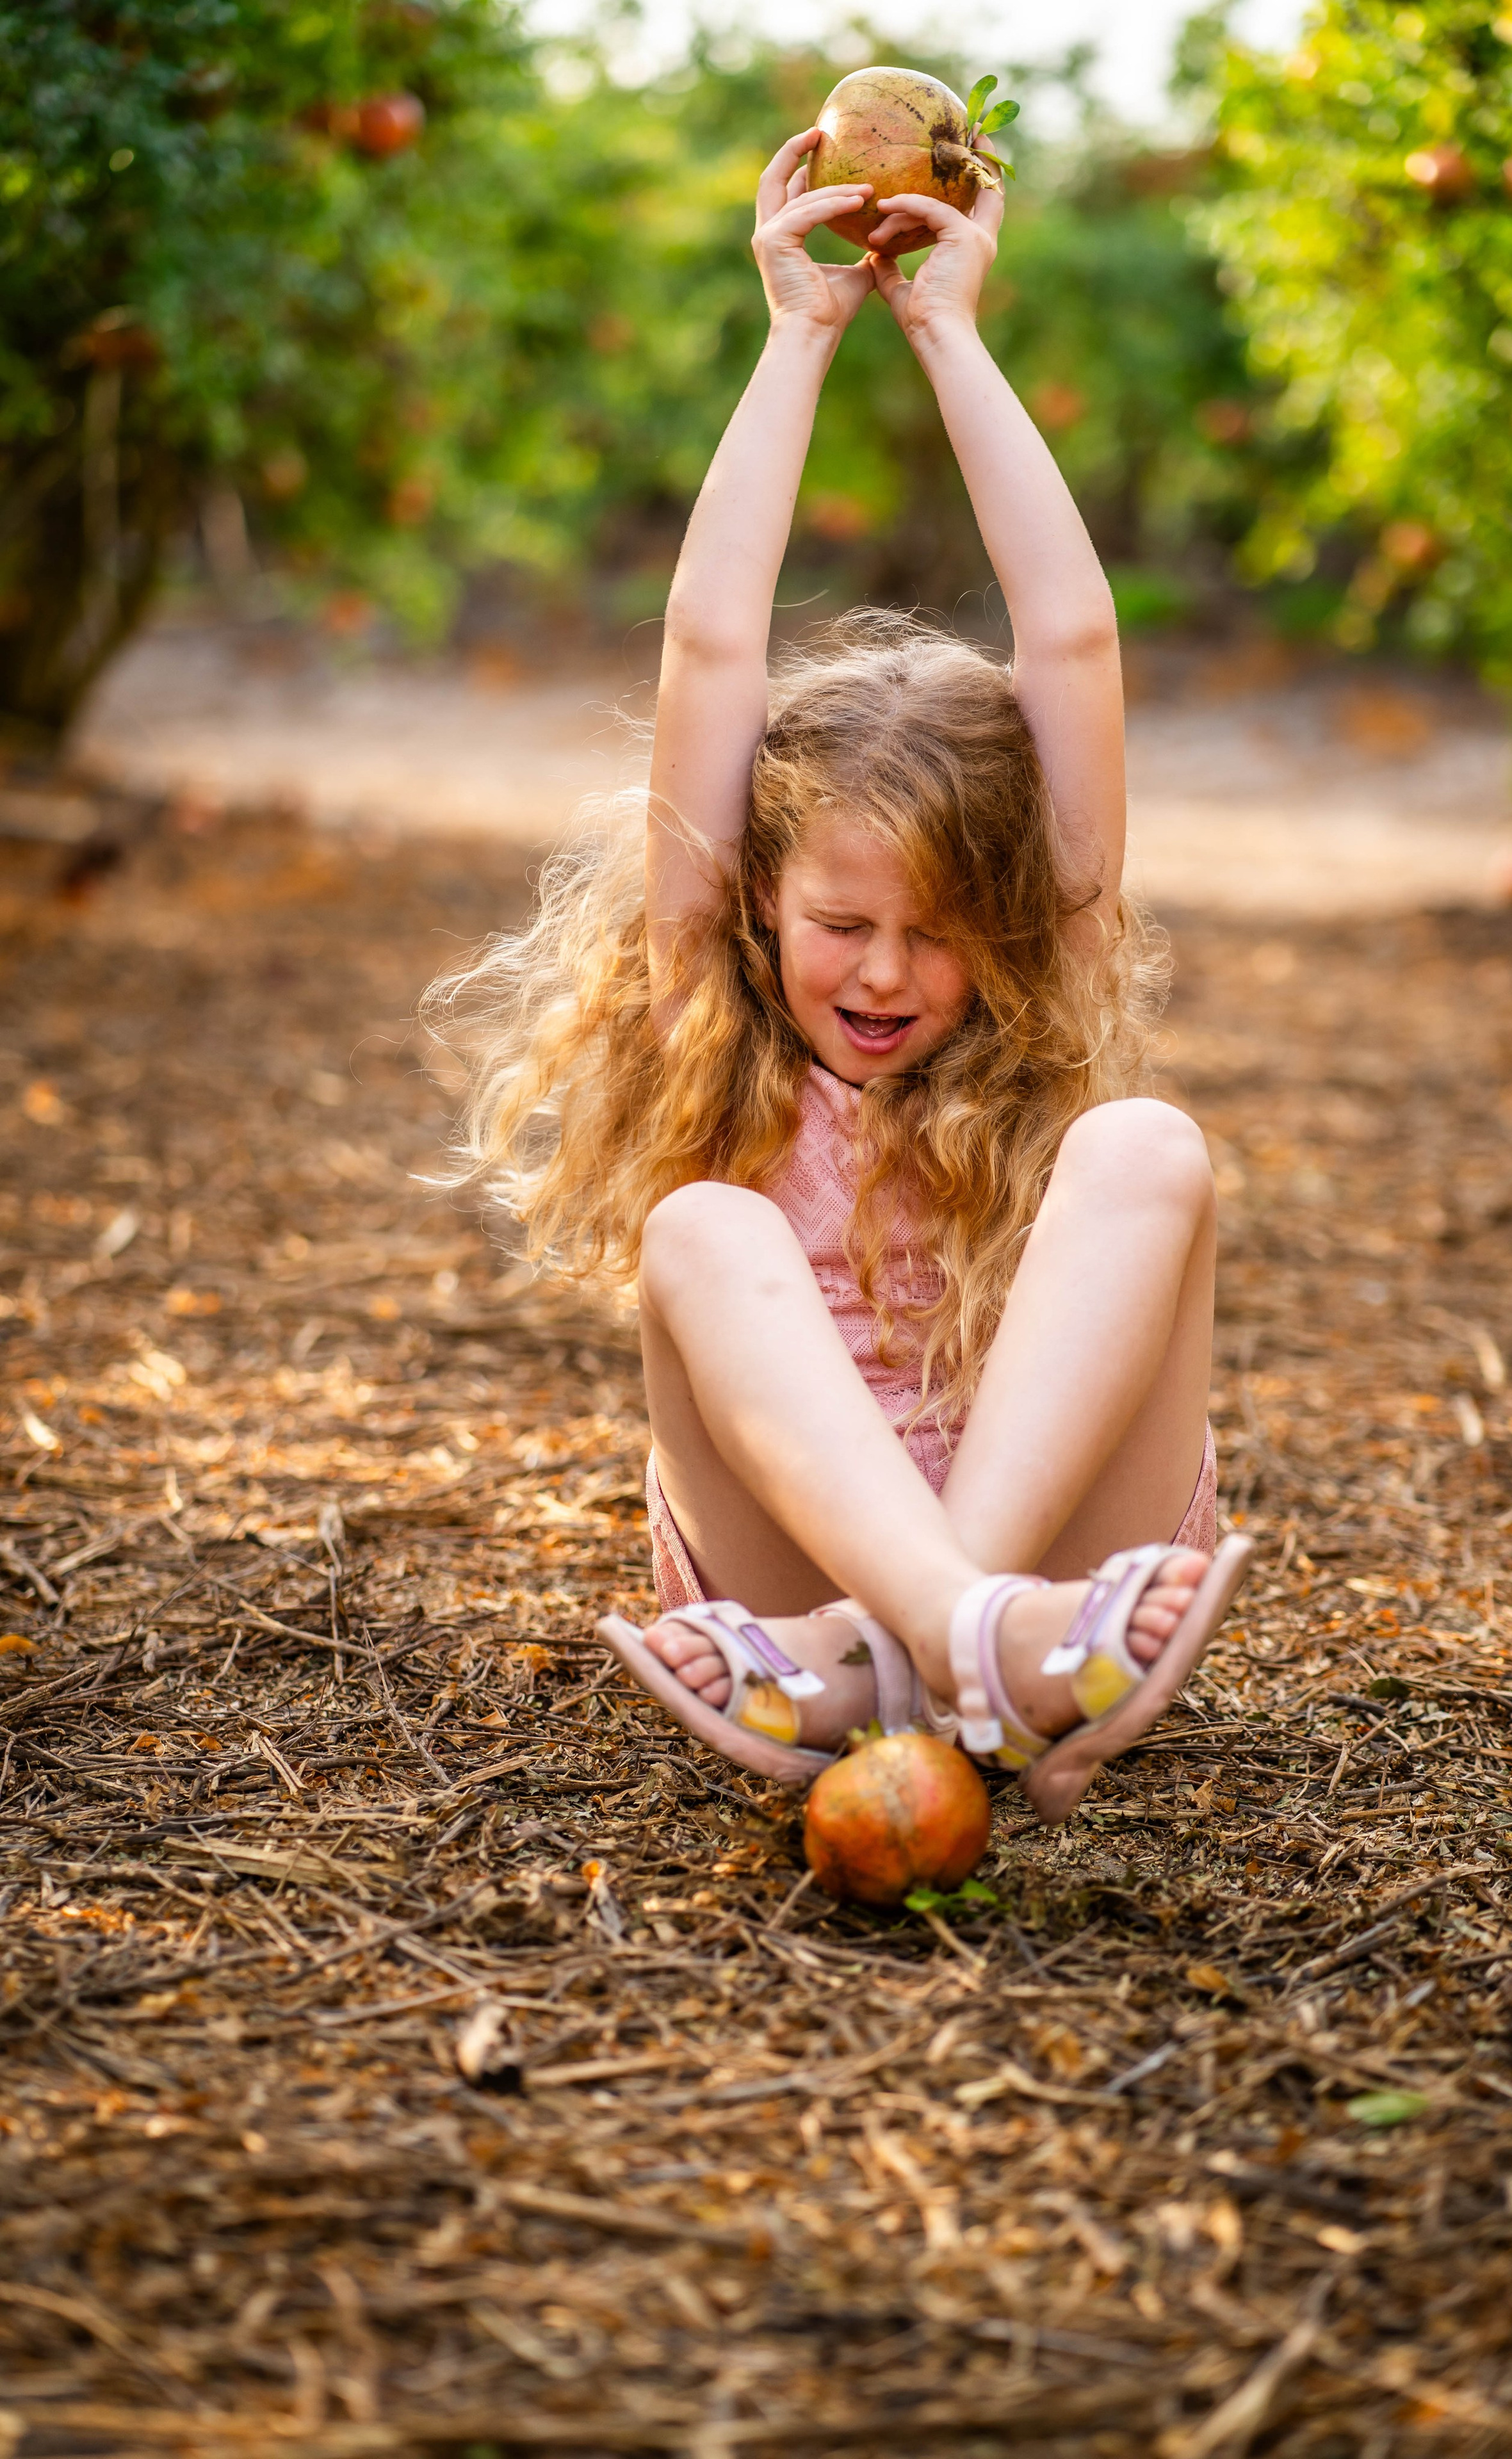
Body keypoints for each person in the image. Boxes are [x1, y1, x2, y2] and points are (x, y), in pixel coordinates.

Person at [443, 128, 1250, 1826]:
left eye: (945, 930)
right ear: (756, 897)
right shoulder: (711, 1008)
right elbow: (713, 644)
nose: (888, 973)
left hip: (1060, 1561)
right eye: (843, 924)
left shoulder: (1038, 1017)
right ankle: (975, 1642)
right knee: (702, 1225)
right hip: (791, 1564)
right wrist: (797, 333)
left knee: (1151, 1148)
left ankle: (923, 1646)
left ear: (1013, 920)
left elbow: (1076, 644)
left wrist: (952, 328)